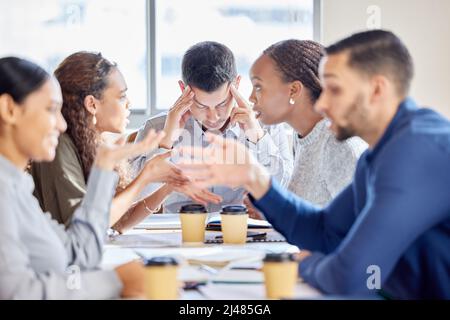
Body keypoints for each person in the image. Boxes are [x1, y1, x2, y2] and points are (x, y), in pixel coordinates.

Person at [179, 30, 450, 299]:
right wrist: (255, 178)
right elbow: (324, 230)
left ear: (377, 89)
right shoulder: (379, 153)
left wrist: (302, 264)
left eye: (334, 88)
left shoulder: (416, 149)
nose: (322, 102)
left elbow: (349, 274)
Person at [0, 57, 153, 299]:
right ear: (9, 109)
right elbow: (18, 293)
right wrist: (113, 281)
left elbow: (78, 253)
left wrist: (104, 167)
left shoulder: (17, 188)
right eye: (51, 110)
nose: (61, 125)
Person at [31, 52, 219, 234]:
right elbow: (87, 228)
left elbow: (120, 223)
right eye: (121, 96)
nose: (129, 103)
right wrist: (145, 177)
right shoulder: (59, 147)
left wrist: (169, 187)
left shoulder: (93, 144)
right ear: (92, 104)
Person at [132, 41, 293, 213]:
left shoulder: (266, 126)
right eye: (201, 106)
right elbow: (135, 197)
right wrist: (166, 140)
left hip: (243, 231)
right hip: (180, 231)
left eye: (222, 104)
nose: (213, 117)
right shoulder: (156, 127)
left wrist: (257, 137)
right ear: (183, 89)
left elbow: (285, 189)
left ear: (236, 84)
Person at [248, 39, 366, 207]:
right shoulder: (303, 137)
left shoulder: (339, 146)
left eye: (258, 87)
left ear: (294, 90)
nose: (251, 97)